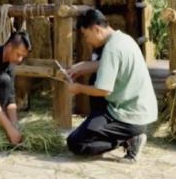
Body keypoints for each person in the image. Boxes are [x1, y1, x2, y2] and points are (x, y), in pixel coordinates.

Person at [65, 9, 158, 162]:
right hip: (140, 112)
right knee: (96, 78)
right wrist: (83, 66)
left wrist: (78, 88)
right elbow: (109, 65)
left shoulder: (111, 50)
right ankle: (114, 131)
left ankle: (129, 139)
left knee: (76, 143)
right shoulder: (123, 39)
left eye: (86, 35)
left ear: (96, 29)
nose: (87, 41)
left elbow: (103, 90)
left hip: (129, 117)